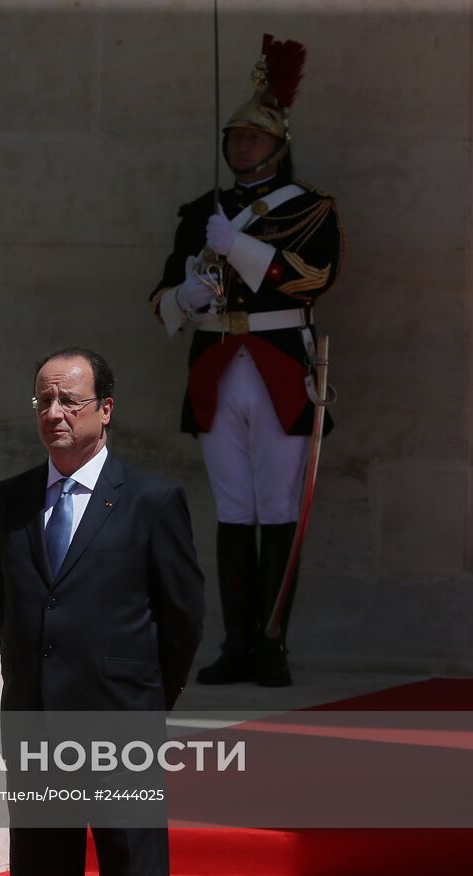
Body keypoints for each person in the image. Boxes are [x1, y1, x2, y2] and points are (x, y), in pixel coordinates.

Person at [0, 347, 204, 876]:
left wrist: (144, 698)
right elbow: (0, 608)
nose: (54, 412)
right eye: (44, 400)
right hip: (35, 726)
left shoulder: (152, 502)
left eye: (69, 400)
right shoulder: (7, 501)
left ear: (105, 410)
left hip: (120, 725)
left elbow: (182, 617)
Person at [149, 34, 341, 688]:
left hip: (280, 364)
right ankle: (235, 643)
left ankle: (272, 644)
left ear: (278, 148)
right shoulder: (201, 211)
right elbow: (159, 297)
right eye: (234, 139)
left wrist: (242, 250)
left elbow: (314, 278)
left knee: (279, 504)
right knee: (234, 507)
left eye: (253, 140)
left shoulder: (311, 209)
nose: (241, 149)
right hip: (216, 364)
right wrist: (186, 292)